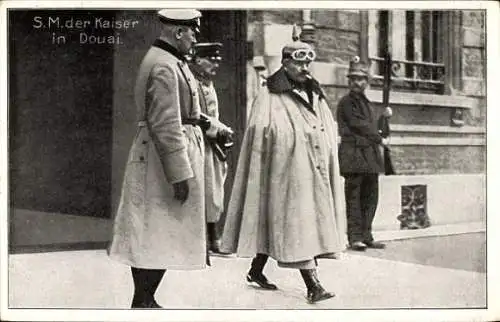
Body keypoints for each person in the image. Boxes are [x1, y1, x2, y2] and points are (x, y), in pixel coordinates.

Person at [220, 35, 347, 304]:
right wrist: (287, 141)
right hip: (284, 171)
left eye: (308, 64)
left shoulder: (315, 92)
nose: (305, 69)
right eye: (299, 63)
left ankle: (256, 271)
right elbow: (259, 130)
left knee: (280, 224)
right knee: (296, 225)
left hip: (314, 170)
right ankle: (314, 286)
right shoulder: (269, 94)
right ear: (285, 62)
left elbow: (325, 125)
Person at [107, 9, 207, 309]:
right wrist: (179, 174)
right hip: (160, 160)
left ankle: (145, 298)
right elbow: (166, 124)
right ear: (178, 32)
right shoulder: (164, 65)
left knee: (154, 229)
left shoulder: (168, 61)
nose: (194, 38)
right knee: (156, 230)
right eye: (192, 32)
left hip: (156, 155)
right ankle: (144, 300)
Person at [336, 56, 389, 251]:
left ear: (367, 82)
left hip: (368, 156)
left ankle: (367, 235)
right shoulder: (346, 103)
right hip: (354, 154)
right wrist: (379, 138)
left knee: (370, 197)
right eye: (354, 79)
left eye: (361, 79)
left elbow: (371, 125)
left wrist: (383, 118)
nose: (357, 82)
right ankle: (355, 237)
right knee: (354, 198)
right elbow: (359, 125)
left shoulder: (366, 102)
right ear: (349, 81)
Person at [188, 42, 234, 256]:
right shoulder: (191, 82)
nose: (215, 65)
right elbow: (194, 114)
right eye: (211, 61)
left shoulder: (208, 83)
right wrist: (219, 128)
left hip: (211, 144)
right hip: (195, 141)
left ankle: (213, 239)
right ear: (198, 60)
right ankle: (198, 243)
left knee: (214, 193)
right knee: (197, 192)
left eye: (217, 61)